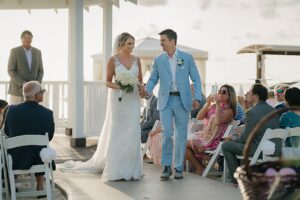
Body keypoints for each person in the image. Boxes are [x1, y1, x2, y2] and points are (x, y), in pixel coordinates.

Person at [61, 32, 143, 181]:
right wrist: (119, 85)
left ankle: (132, 168)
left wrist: (142, 90)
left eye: (133, 43)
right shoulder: (113, 60)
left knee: (132, 131)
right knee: (118, 131)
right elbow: (107, 81)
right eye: (129, 43)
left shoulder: (137, 60)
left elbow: (140, 81)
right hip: (118, 100)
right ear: (121, 44)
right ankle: (116, 169)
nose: (132, 46)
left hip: (133, 100)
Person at [145, 29, 202, 180]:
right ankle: (165, 167)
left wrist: (197, 97)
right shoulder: (158, 60)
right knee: (167, 133)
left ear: (172, 41)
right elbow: (152, 79)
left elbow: (196, 79)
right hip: (165, 101)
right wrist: (146, 91)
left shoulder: (187, 58)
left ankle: (177, 168)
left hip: (183, 101)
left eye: (163, 40)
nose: (161, 43)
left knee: (180, 135)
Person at [222, 84, 280, 184]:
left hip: (258, 150)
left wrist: (233, 138)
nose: (247, 94)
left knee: (226, 145)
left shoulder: (252, 112)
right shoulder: (273, 110)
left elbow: (245, 139)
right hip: (274, 150)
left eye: (249, 93)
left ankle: (236, 180)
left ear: (256, 96)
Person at [4, 81, 54, 192]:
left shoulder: (11, 110)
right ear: (37, 96)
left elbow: (8, 132)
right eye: (42, 91)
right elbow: (49, 137)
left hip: (17, 159)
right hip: (39, 158)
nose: (43, 93)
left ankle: (13, 183)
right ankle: (40, 186)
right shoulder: (47, 113)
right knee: (41, 148)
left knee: (14, 148)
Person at [186, 84, 236, 175]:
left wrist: (217, 104)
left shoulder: (229, 111)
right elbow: (199, 117)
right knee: (182, 145)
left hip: (215, 140)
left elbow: (217, 121)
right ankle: (200, 167)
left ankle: (200, 167)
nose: (220, 93)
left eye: (224, 92)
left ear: (230, 96)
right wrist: (208, 103)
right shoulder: (212, 107)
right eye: (219, 91)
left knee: (183, 144)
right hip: (205, 136)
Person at [8, 30, 44, 105]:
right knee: (16, 114)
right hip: (17, 91)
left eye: (29, 38)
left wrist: (37, 84)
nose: (27, 39)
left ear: (32, 39)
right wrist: (23, 83)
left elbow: (40, 71)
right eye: (25, 38)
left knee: (31, 115)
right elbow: (11, 70)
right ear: (21, 39)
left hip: (33, 92)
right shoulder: (15, 51)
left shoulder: (37, 52)